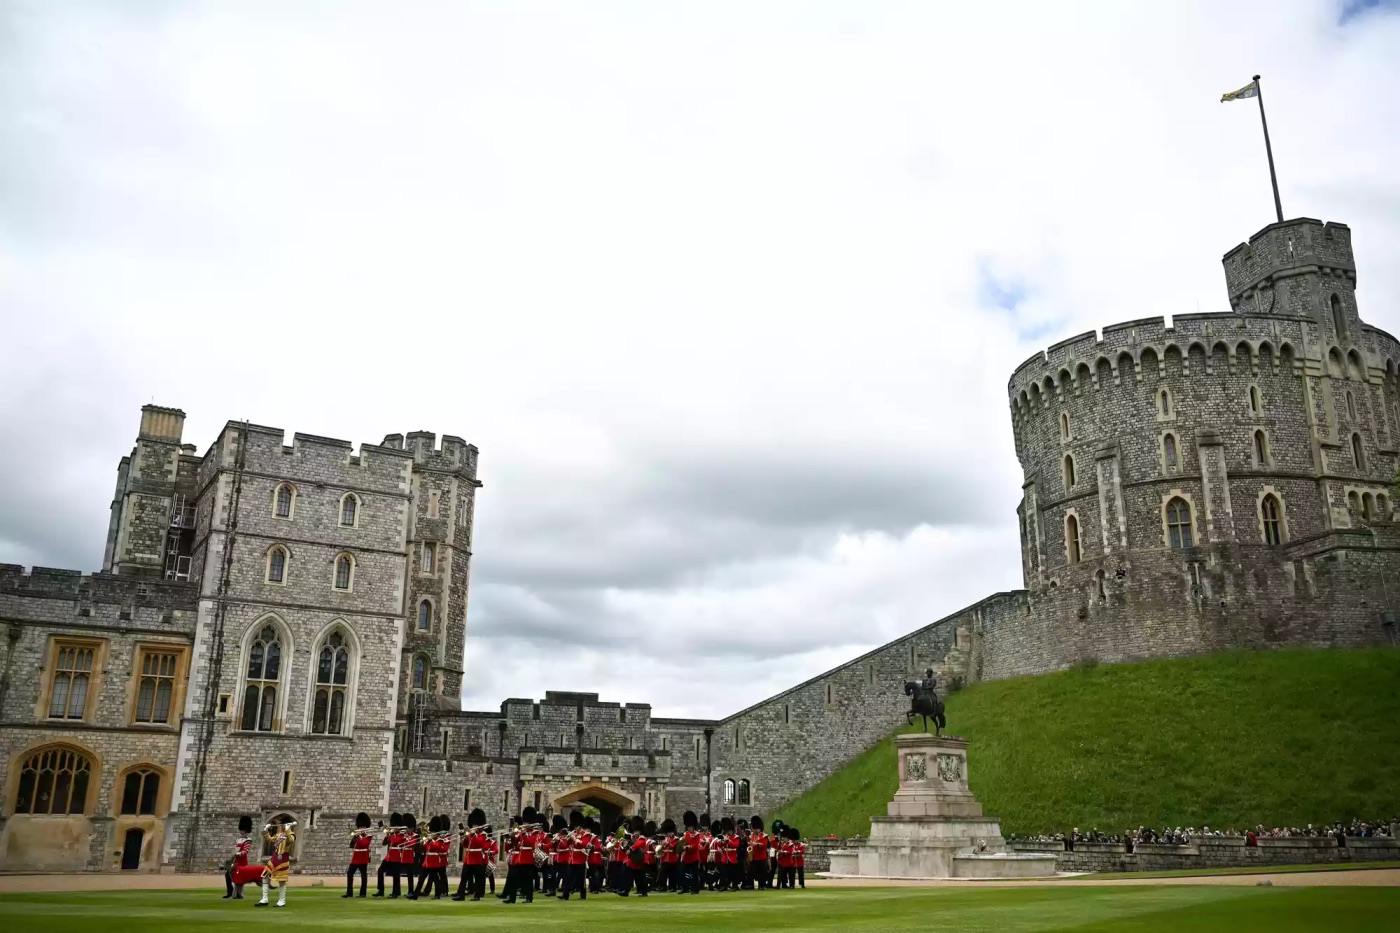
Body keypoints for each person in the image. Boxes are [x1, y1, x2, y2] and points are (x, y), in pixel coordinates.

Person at [255, 815, 296, 908]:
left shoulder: (291, 834)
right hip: (274, 859)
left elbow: (291, 840)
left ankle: (282, 901)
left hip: (282, 860)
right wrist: (266, 830)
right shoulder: (279, 835)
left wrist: (288, 829)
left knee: (281, 881)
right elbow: (269, 840)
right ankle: (264, 899)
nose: (281, 826)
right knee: (265, 877)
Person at [224, 816, 261, 899]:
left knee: (239, 879)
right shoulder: (238, 839)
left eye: (242, 830)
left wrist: (238, 854)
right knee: (228, 875)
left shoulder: (248, 840)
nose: (241, 831)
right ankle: (230, 892)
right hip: (235, 861)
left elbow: (245, 851)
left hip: (241, 862)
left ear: (246, 830)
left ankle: (238, 894)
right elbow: (235, 849)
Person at [344, 812, 372, 898]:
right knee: (350, 873)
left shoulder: (368, 835)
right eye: (360, 827)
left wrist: (359, 837)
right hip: (356, 856)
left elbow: (364, 844)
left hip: (363, 856)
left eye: (363, 827)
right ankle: (349, 893)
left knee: (363, 875)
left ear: (366, 827)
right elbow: (351, 846)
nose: (361, 829)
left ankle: (363, 893)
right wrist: (354, 838)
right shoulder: (357, 835)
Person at [373, 813, 401, 897]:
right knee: (380, 871)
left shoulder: (402, 835)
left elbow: (396, 842)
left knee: (395, 875)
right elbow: (384, 843)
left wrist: (390, 834)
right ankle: (380, 890)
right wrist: (387, 835)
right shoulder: (391, 834)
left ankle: (395, 892)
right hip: (389, 856)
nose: (394, 828)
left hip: (396, 856)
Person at [399, 813, 420, 900]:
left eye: (408, 828)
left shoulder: (415, 836)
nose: (407, 829)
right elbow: (399, 844)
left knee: (410, 875)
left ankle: (411, 891)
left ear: (411, 828)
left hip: (411, 856)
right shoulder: (403, 835)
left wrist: (406, 840)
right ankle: (397, 890)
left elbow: (412, 845)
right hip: (403, 855)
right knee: (397, 873)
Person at [747, 816, 769, 889]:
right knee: (751, 871)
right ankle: (751, 885)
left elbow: (764, 845)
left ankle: (762, 885)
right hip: (753, 856)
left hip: (761, 856)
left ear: (760, 828)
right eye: (754, 828)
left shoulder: (764, 836)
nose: (755, 830)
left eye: (756, 828)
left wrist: (755, 844)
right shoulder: (751, 836)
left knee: (761, 872)